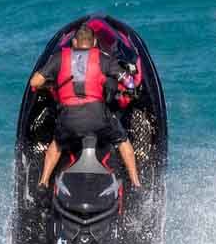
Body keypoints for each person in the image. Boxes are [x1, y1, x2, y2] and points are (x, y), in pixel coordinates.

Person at [29, 24, 141, 200]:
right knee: (122, 141)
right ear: (95, 42)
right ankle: (135, 184)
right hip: (97, 119)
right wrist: (128, 86)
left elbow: (34, 83)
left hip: (69, 120)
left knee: (56, 144)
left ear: (73, 42)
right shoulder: (104, 59)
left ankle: (43, 183)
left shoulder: (59, 57)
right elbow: (129, 82)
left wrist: (50, 85)